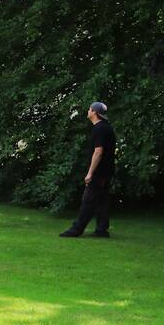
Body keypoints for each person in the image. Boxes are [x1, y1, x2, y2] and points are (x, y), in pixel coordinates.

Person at [60, 101, 116, 238]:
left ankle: (76, 229)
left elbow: (98, 152)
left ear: (95, 113)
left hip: (99, 172)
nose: (88, 111)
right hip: (107, 171)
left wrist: (90, 173)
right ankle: (102, 230)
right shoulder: (106, 127)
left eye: (90, 109)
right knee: (101, 201)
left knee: (88, 200)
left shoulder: (99, 129)